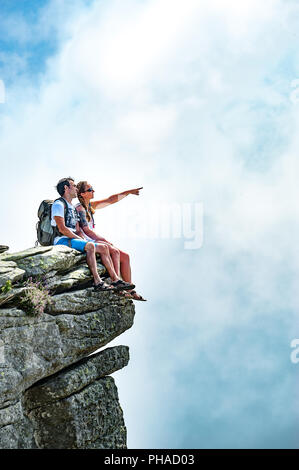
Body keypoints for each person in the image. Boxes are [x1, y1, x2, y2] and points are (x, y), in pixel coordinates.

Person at [50, 177, 135, 292]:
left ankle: (115, 280)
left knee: (104, 248)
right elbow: (62, 229)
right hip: (61, 240)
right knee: (91, 246)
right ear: (66, 188)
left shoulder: (72, 207)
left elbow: (77, 228)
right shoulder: (59, 204)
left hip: (72, 239)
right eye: (73, 186)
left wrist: (127, 192)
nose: (75, 188)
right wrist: (82, 240)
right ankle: (97, 282)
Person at [76, 181, 146, 301]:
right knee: (113, 250)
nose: (93, 191)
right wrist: (104, 240)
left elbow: (110, 200)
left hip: (94, 239)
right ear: (82, 194)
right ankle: (117, 284)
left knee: (125, 257)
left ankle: (129, 288)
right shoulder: (79, 208)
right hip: (88, 240)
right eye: (90, 189)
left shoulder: (89, 206)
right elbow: (86, 231)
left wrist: (128, 192)